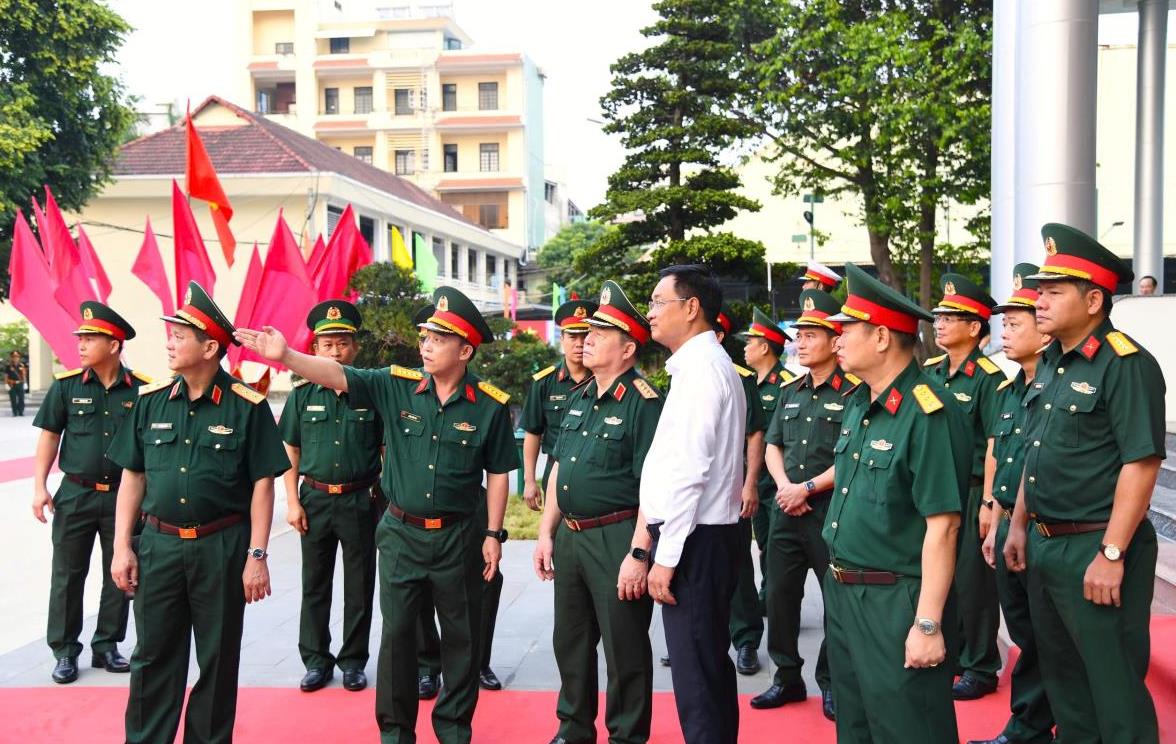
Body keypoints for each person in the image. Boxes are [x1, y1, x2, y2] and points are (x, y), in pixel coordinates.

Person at [237, 285, 518, 744]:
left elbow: (499, 472)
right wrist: (286, 355)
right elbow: (337, 374)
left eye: (438, 339)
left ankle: (453, 729)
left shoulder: (489, 406)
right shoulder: (396, 385)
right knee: (397, 640)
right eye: (424, 336)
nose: (425, 345)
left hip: (458, 537)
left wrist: (492, 534)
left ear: (465, 349)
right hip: (402, 536)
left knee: (461, 640)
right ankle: (395, 732)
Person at [1004, 223, 1166, 743]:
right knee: (1066, 686)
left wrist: (1113, 554)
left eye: (1052, 292)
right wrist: (1019, 524)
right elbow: (1037, 452)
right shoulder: (1049, 363)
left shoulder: (1126, 364)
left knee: (1113, 689)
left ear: (1094, 299)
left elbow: (1141, 464)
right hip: (1046, 546)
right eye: (1039, 291)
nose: (1038, 301)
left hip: (1097, 544)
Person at [109, 282, 289, 744]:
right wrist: (121, 547)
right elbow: (133, 476)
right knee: (153, 656)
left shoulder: (247, 407)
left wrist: (257, 555)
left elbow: (262, 485)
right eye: (170, 334)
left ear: (210, 346)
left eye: (179, 335)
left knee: (217, 657)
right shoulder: (150, 402)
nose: (169, 342)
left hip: (221, 547)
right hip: (160, 545)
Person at [822, 263, 971, 744]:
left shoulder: (929, 411)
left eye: (847, 329)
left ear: (882, 337)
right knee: (857, 725)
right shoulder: (860, 404)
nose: (836, 339)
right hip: (844, 591)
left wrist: (927, 622)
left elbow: (943, 526)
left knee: (909, 727)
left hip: (896, 599)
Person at [533, 280, 663, 744]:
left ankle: (627, 735)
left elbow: (654, 486)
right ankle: (573, 728)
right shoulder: (578, 396)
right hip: (570, 536)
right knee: (570, 640)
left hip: (617, 536)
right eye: (587, 332)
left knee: (625, 646)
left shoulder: (644, 403)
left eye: (601, 333)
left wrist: (640, 552)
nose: (586, 338)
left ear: (628, 347)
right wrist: (546, 532)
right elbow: (558, 470)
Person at [637, 264, 746, 744]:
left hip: (695, 541)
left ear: (692, 308)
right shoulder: (696, 366)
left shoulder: (702, 371)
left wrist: (665, 557)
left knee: (697, 677)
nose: (651, 312)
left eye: (659, 301)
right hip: (702, 537)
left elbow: (690, 473)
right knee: (706, 667)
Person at [31, 302, 149, 684]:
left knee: (120, 572)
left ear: (114, 345)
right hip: (76, 494)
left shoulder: (144, 391)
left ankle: (107, 645)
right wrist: (39, 487)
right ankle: (65, 651)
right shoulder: (66, 387)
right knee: (67, 574)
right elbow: (50, 436)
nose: (81, 344)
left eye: (90, 338)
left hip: (123, 497)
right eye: (80, 338)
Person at [753, 289, 856, 720]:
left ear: (835, 341)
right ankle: (786, 677)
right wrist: (784, 486)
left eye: (811, 334)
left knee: (836, 601)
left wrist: (805, 488)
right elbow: (772, 444)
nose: (800, 341)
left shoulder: (853, 392)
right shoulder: (790, 390)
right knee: (778, 596)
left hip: (828, 512)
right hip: (785, 511)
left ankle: (830, 682)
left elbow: (850, 456)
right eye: (799, 334)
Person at [970, 265, 1055, 744]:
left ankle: (1036, 724)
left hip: (1046, 529)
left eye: (1014, 323)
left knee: (1050, 638)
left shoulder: (1055, 388)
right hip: (1008, 524)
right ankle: (1030, 724)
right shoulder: (1008, 392)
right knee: (1025, 634)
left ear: (1042, 333)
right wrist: (993, 516)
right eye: (1003, 323)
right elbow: (998, 455)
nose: (1005, 330)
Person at [280, 300, 383, 693]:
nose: (335, 352)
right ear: (315, 349)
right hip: (315, 500)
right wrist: (291, 502)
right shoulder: (302, 396)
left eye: (342, 343)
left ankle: (354, 660)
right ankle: (316, 660)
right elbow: (290, 451)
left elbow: (386, 450)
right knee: (315, 582)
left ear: (354, 347)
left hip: (360, 499)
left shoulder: (370, 394)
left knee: (360, 584)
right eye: (327, 345)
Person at [925, 272, 1004, 700]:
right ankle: (952, 654)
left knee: (974, 583)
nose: (939, 324)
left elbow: (994, 443)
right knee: (943, 574)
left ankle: (981, 665)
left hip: (974, 490)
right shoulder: (932, 371)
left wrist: (989, 503)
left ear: (974, 327)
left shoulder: (988, 378)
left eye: (949, 317)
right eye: (937, 317)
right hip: (941, 489)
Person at [521, 299, 598, 511]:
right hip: (556, 470)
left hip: (595, 473)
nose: (580, 343)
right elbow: (532, 433)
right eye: (573, 336)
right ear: (562, 339)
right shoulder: (544, 383)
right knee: (554, 536)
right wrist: (529, 481)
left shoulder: (604, 379)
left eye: (586, 335)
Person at [6, 349, 26, 416]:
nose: (15, 358)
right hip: (12, 384)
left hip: (20, 384)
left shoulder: (21, 365)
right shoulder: (8, 366)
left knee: (21, 398)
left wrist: (25, 383)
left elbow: (24, 375)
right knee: (13, 399)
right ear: (12, 358)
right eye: (14, 356)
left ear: (19, 357)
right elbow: (6, 376)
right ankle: (14, 412)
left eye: (17, 356)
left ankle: (21, 412)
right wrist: (6, 384)